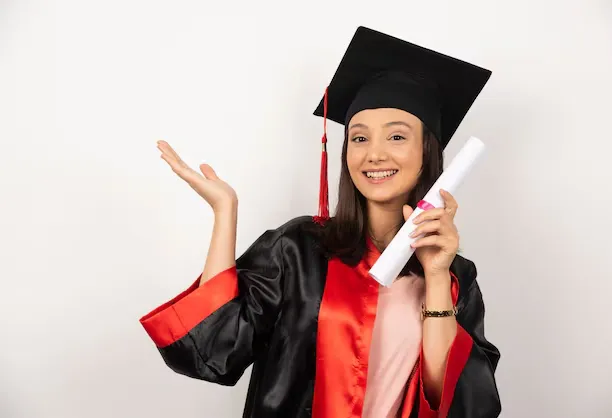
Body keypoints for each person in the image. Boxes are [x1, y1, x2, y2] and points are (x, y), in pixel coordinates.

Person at [139, 26, 501, 418]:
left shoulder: (454, 277)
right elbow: (213, 351)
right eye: (359, 138)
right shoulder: (298, 248)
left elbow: (460, 403)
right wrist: (225, 213)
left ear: (426, 152)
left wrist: (434, 277)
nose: (374, 154)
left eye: (396, 137)